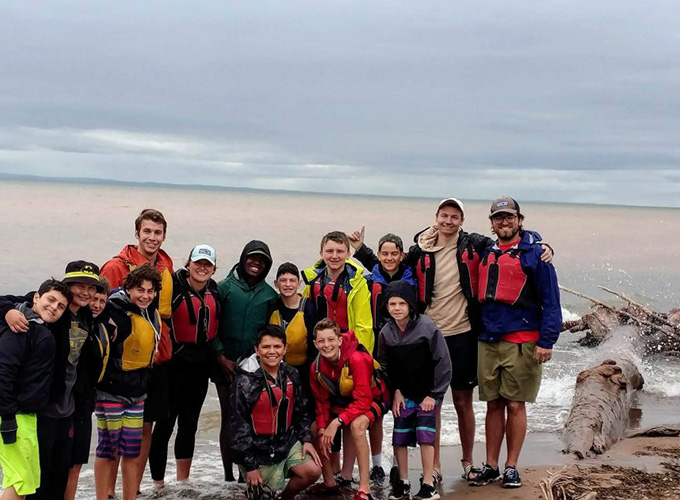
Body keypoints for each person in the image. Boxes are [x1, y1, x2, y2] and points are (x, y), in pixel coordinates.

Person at [468, 197, 562, 489]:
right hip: (488, 340)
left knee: (516, 404)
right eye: (499, 218)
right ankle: (491, 465)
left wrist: (547, 341)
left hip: (522, 340)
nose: (504, 222)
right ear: (492, 223)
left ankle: (511, 467)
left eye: (509, 217)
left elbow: (552, 302)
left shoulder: (535, 255)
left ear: (520, 220)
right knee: (492, 404)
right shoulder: (486, 250)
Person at [0, 261, 105, 500]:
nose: (86, 292)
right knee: (31, 479)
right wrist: (8, 311)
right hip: (39, 409)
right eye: (80, 285)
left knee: (60, 472)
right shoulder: (45, 313)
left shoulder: (89, 314)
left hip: (70, 410)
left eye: (91, 287)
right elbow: (17, 303)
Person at [100, 208, 174, 494]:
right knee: (114, 432)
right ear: (137, 233)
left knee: (144, 428)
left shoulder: (166, 267)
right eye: (147, 232)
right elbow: (100, 311)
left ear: (164, 236)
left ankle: (135, 488)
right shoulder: (116, 267)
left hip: (159, 357)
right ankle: (107, 490)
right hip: (122, 366)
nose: (152, 237)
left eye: (157, 233)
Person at [302, 231, 375, 484]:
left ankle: (348, 471)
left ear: (348, 253)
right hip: (323, 350)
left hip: (349, 352)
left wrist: (359, 359)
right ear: (321, 252)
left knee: (351, 414)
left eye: (340, 251)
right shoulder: (312, 280)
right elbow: (305, 315)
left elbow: (364, 325)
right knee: (325, 411)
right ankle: (332, 471)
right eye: (329, 251)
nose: (334, 256)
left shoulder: (357, 282)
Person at [347, 231, 417, 482]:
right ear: (378, 256)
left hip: (406, 349)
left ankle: (401, 465)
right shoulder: (368, 279)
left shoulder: (412, 276)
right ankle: (377, 464)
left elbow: (423, 247)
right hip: (377, 350)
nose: (389, 258)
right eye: (384, 253)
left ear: (402, 255)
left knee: (403, 408)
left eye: (394, 253)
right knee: (375, 409)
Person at [149, 245, 221, 488]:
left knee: (189, 423)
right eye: (197, 263)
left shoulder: (215, 291)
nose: (202, 268)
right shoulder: (173, 287)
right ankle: (158, 483)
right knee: (165, 424)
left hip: (200, 366)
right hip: (173, 365)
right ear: (188, 263)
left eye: (207, 265)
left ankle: (183, 481)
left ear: (214, 269)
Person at [94, 264, 163, 500]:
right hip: (110, 392)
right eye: (139, 290)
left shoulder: (149, 311)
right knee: (108, 451)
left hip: (137, 392)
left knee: (132, 452)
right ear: (127, 288)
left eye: (150, 291)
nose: (145, 295)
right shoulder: (112, 310)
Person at [377, 280, 451, 500]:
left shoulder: (427, 328)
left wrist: (434, 395)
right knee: (399, 438)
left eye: (401, 303)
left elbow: (443, 362)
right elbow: (383, 366)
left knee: (425, 437)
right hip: (402, 395)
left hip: (427, 394)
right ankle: (403, 481)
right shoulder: (386, 333)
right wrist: (395, 391)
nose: (397, 308)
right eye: (392, 304)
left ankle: (428, 483)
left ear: (411, 305)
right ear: (386, 306)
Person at [229, 325, 321, 500]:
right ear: (257, 350)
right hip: (257, 450)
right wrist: (250, 466)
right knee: (262, 496)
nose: (272, 352)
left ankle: (285, 497)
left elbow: (302, 412)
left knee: (313, 470)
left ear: (285, 349)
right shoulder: (244, 382)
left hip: (286, 442)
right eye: (266, 347)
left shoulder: (291, 374)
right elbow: (236, 428)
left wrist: (307, 440)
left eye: (277, 347)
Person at [212, 240, 278, 481]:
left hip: (253, 368)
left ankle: (245, 474)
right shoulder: (224, 287)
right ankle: (228, 476)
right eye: (252, 258)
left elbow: (271, 334)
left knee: (250, 421)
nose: (256, 263)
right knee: (229, 417)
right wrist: (220, 356)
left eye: (262, 260)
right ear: (243, 258)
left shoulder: (270, 295)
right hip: (223, 364)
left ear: (267, 265)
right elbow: (212, 325)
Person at [0, 280, 72, 500]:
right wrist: (8, 418)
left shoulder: (42, 328)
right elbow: (3, 372)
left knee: (26, 481)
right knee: (19, 480)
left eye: (61, 306)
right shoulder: (21, 328)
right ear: (36, 298)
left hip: (28, 415)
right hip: (14, 415)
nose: (54, 307)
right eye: (51, 300)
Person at [309, 319, 389, 500]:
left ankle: (364, 489)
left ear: (339, 340)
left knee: (357, 425)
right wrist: (323, 428)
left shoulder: (357, 359)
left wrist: (337, 422)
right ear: (315, 344)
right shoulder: (316, 367)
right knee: (316, 429)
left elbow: (363, 400)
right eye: (321, 341)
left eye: (331, 340)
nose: (326, 345)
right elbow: (321, 403)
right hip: (345, 401)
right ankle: (330, 482)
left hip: (375, 398)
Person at [66, 276, 112, 500]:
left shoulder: (102, 326)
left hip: (86, 401)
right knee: (61, 463)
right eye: (94, 298)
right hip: (65, 403)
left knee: (76, 463)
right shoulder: (69, 319)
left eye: (102, 301)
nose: (97, 304)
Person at [269, 263, 318, 401]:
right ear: (276, 284)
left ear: (299, 284)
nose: (288, 285)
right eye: (283, 281)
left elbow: (314, 345)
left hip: (303, 371)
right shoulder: (272, 306)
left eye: (292, 281)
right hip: (275, 370)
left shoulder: (308, 308)